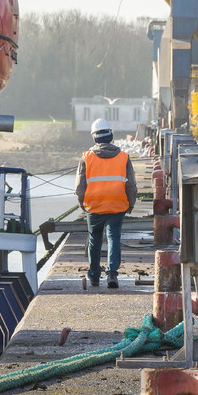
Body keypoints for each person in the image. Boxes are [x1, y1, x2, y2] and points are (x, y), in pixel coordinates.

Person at [75, 117, 136, 288]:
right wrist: (130, 203)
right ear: (111, 136)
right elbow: (131, 184)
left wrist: (82, 204)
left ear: (94, 137)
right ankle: (112, 274)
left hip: (94, 206)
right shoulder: (123, 157)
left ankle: (94, 275)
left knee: (94, 239)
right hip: (117, 204)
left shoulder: (86, 157)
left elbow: (80, 186)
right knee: (113, 237)